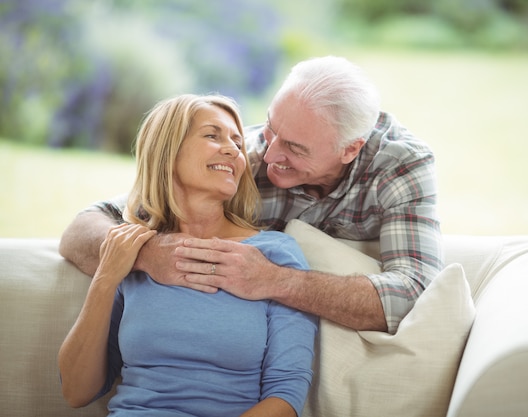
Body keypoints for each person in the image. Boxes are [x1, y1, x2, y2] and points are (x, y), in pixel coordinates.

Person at [60, 55, 444, 334]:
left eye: (295, 148)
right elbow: (83, 229)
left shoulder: (400, 166)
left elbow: (417, 293)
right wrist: (148, 254)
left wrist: (277, 281)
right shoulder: (240, 160)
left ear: (350, 149)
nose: (269, 154)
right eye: (271, 129)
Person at [58, 94, 318, 417]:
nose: (234, 150)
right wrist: (107, 276)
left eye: (237, 142)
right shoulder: (136, 250)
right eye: (212, 135)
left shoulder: (275, 255)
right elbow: (76, 391)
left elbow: (286, 397)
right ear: (168, 151)